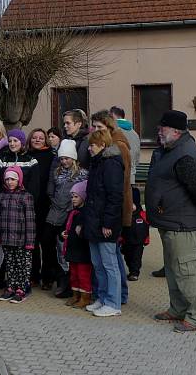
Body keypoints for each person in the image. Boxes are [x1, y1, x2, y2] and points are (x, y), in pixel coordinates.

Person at [147, 110, 196, 333]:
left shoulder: (185, 154)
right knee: (173, 270)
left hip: (183, 223)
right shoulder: (168, 151)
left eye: (161, 128)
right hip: (169, 220)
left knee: (187, 271)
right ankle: (178, 308)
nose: (158, 132)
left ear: (176, 131)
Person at [91, 109, 133, 304]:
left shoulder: (117, 149)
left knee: (112, 258)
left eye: (100, 127)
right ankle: (113, 296)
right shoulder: (101, 154)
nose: (96, 130)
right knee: (109, 257)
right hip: (104, 209)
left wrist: (112, 216)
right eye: (94, 127)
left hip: (113, 209)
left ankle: (116, 297)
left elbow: (119, 184)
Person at [82, 129, 124, 318]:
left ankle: (113, 302)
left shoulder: (111, 165)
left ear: (103, 145)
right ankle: (102, 297)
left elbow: (115, 197)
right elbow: (91, 196)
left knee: (109, 265)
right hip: (93, 221)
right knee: (98, 264)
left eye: (92, 145)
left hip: (105, 223)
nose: (89, 148)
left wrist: (108, 223)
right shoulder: (97, 164)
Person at [42, 139, 87, 293]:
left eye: (67, 158)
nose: (64, 161)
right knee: (47, 241)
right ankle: (50, 274)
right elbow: (52, 189)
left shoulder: (81, 174)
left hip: (68, 213)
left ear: (73, 158)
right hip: (54, 211)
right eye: (61, 158)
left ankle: (65, 281)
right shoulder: (57, 172)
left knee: (63, 246)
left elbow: (82, 194)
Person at [0, 166, 36, 304]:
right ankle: (11, 287)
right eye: (7, 179)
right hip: (6, 238)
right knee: (10, 264)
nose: (10, 182)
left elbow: (30, 221)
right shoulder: (1, 196)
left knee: (22, 264)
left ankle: (22, 288)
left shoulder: (26, 196)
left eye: (13, 179)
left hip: (22, 239)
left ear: (19, 180)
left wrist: (30, 241)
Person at [27, 127, 56, 285]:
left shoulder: (51, 156)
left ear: (45, 140)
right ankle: (33, 275)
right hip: (31, 205)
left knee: (47, 241)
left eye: (41, 138)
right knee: (33, 241)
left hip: (47, 204)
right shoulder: (26, 156)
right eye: (34, 137)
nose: (37, 140)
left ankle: (48, 276)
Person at [62, 180, 92, 309]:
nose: (73, 200)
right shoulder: (72, 213)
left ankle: (85, 297)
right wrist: (63, 234)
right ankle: (75, 295)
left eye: (76, 197)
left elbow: (83, 232)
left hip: (82, 250)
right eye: (72, 197)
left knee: (83, 275)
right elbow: (67, 228)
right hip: (72, 249)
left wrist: (76, 233)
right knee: (73, 274)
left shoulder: (85, 214)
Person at [120, 187, 149, 281]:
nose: (130, 207)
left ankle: (134, 273)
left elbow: (146, 227)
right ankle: (131, 269)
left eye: (132, 204)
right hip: (126, 240)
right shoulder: (123, 215)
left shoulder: (142, 215)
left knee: (136, 258)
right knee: (128, 257)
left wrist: (146, 239)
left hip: (139, 242)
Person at [110, 106, 141, 183]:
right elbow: (137, 156)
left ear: (112, 116)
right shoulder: (135, 134)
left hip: (116, 175)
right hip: (131, 175)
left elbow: (111, 152)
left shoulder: (114, 132)